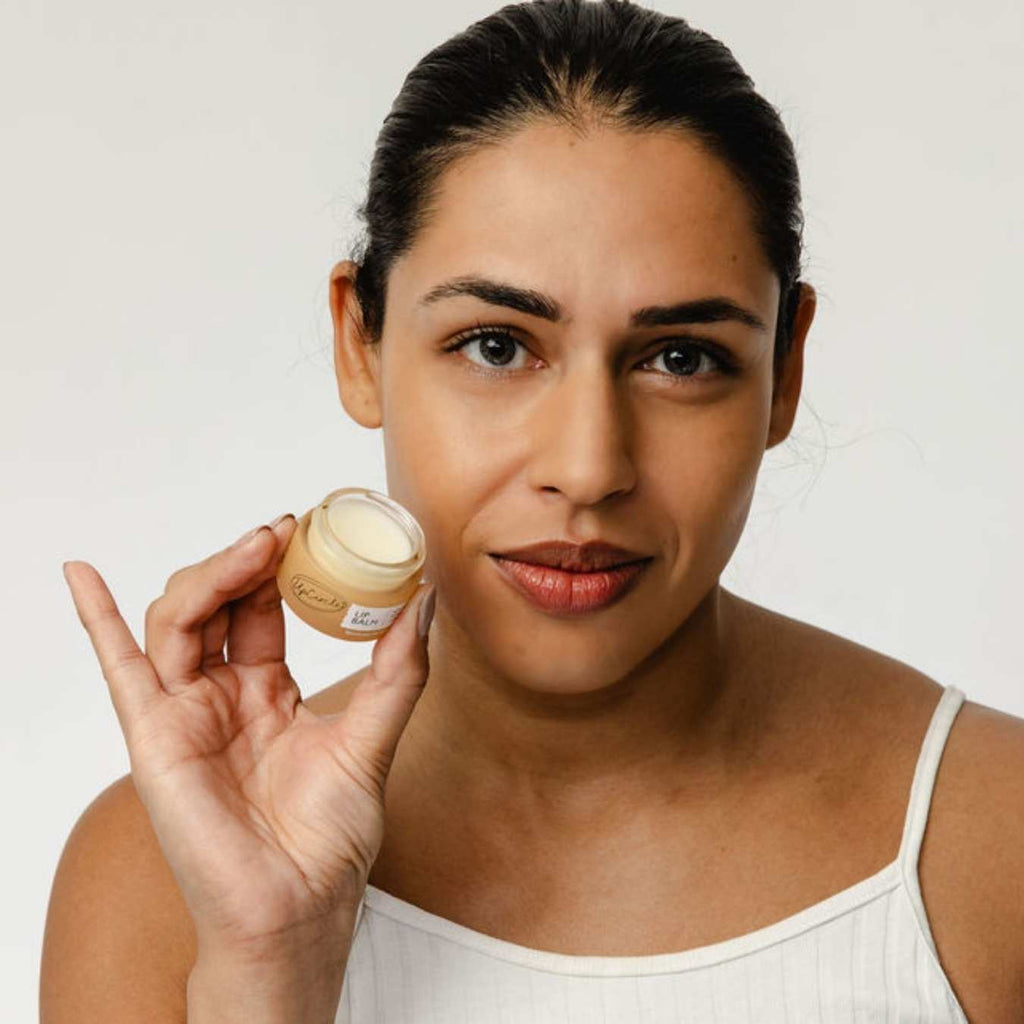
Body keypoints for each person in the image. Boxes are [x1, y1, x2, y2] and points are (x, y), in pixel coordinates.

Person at [41, 1, 1024, 1021]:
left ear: (785, 370)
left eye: (681, 358)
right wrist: (266, 965)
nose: (588, 469)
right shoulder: (161, 882)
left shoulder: (996, 848)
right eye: (497, 346)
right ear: (359, 344)